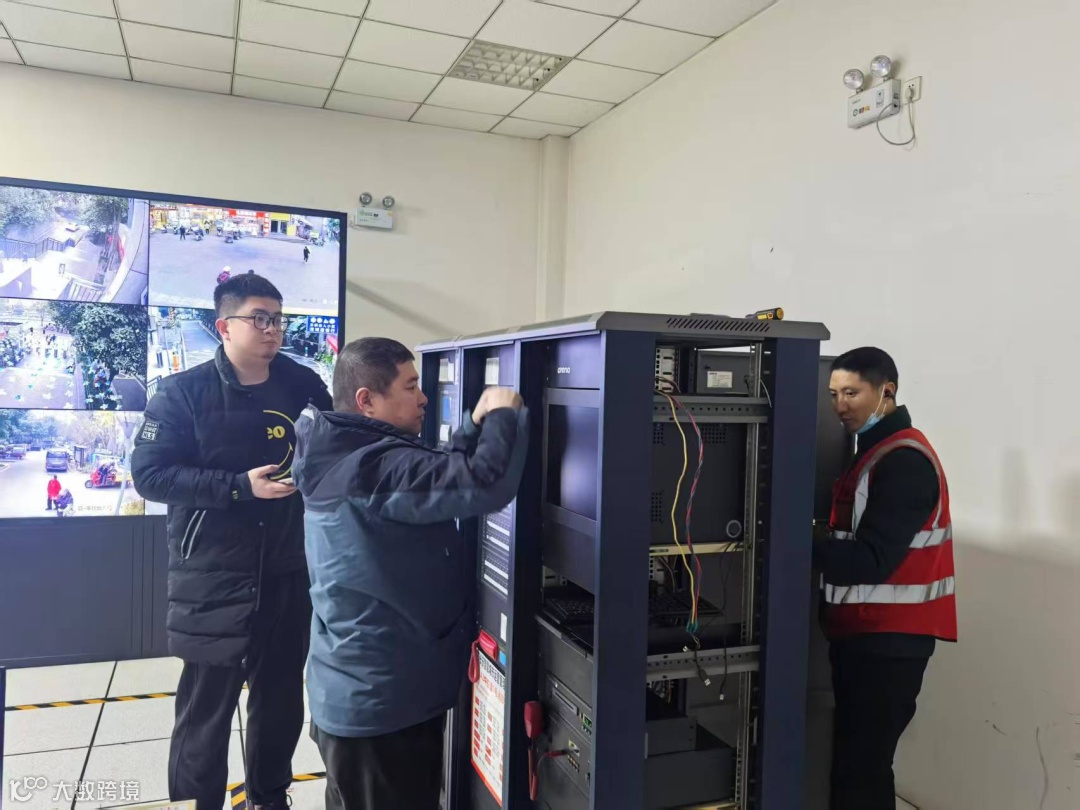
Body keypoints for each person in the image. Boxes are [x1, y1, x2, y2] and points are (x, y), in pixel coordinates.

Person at [293, 338, 529, 810]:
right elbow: (484, 483)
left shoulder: (344, 453)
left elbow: (433, 471)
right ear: (367, 400)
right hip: (382, 710)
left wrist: (472, 424)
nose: (423, 398)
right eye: (411, 386)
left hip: (359, 693)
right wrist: (506, 413)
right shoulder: (374, 468)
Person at [131, 273, 333, 810]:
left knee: (281, 698)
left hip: (287, 568)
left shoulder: (303, 384)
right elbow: (150, 476)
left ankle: (268, 797)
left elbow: (333, 447)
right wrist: (238, 487)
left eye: (278, 319)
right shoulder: (182, 394)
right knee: (206, 708)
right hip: (213, 574)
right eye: (259, 318)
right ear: (224, 326)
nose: (272, 329)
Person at [814, 347, 956, 810]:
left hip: (889, 645)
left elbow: (870, 560)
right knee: (855, 766)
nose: (840, 405)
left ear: (886, 392)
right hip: (864, 635)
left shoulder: (903, 460)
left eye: (852, 393)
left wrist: (794, 541)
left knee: (864, 771)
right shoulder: (873, 453)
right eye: (834, 394)